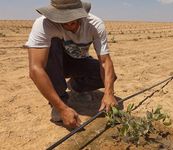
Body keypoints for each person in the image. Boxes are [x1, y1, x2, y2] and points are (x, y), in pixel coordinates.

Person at [25, 0, 118, 129]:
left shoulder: (95, 24)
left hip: (78, 61)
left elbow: (105, 61)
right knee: (51, 46)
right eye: (63, 19)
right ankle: (60, 100)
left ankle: (76, 87)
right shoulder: (43, 24)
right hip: (55, 64)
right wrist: (61, 108)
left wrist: (109, 93)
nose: (70, 23)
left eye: (74, 18)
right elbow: (36, 69)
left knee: (107, 77)